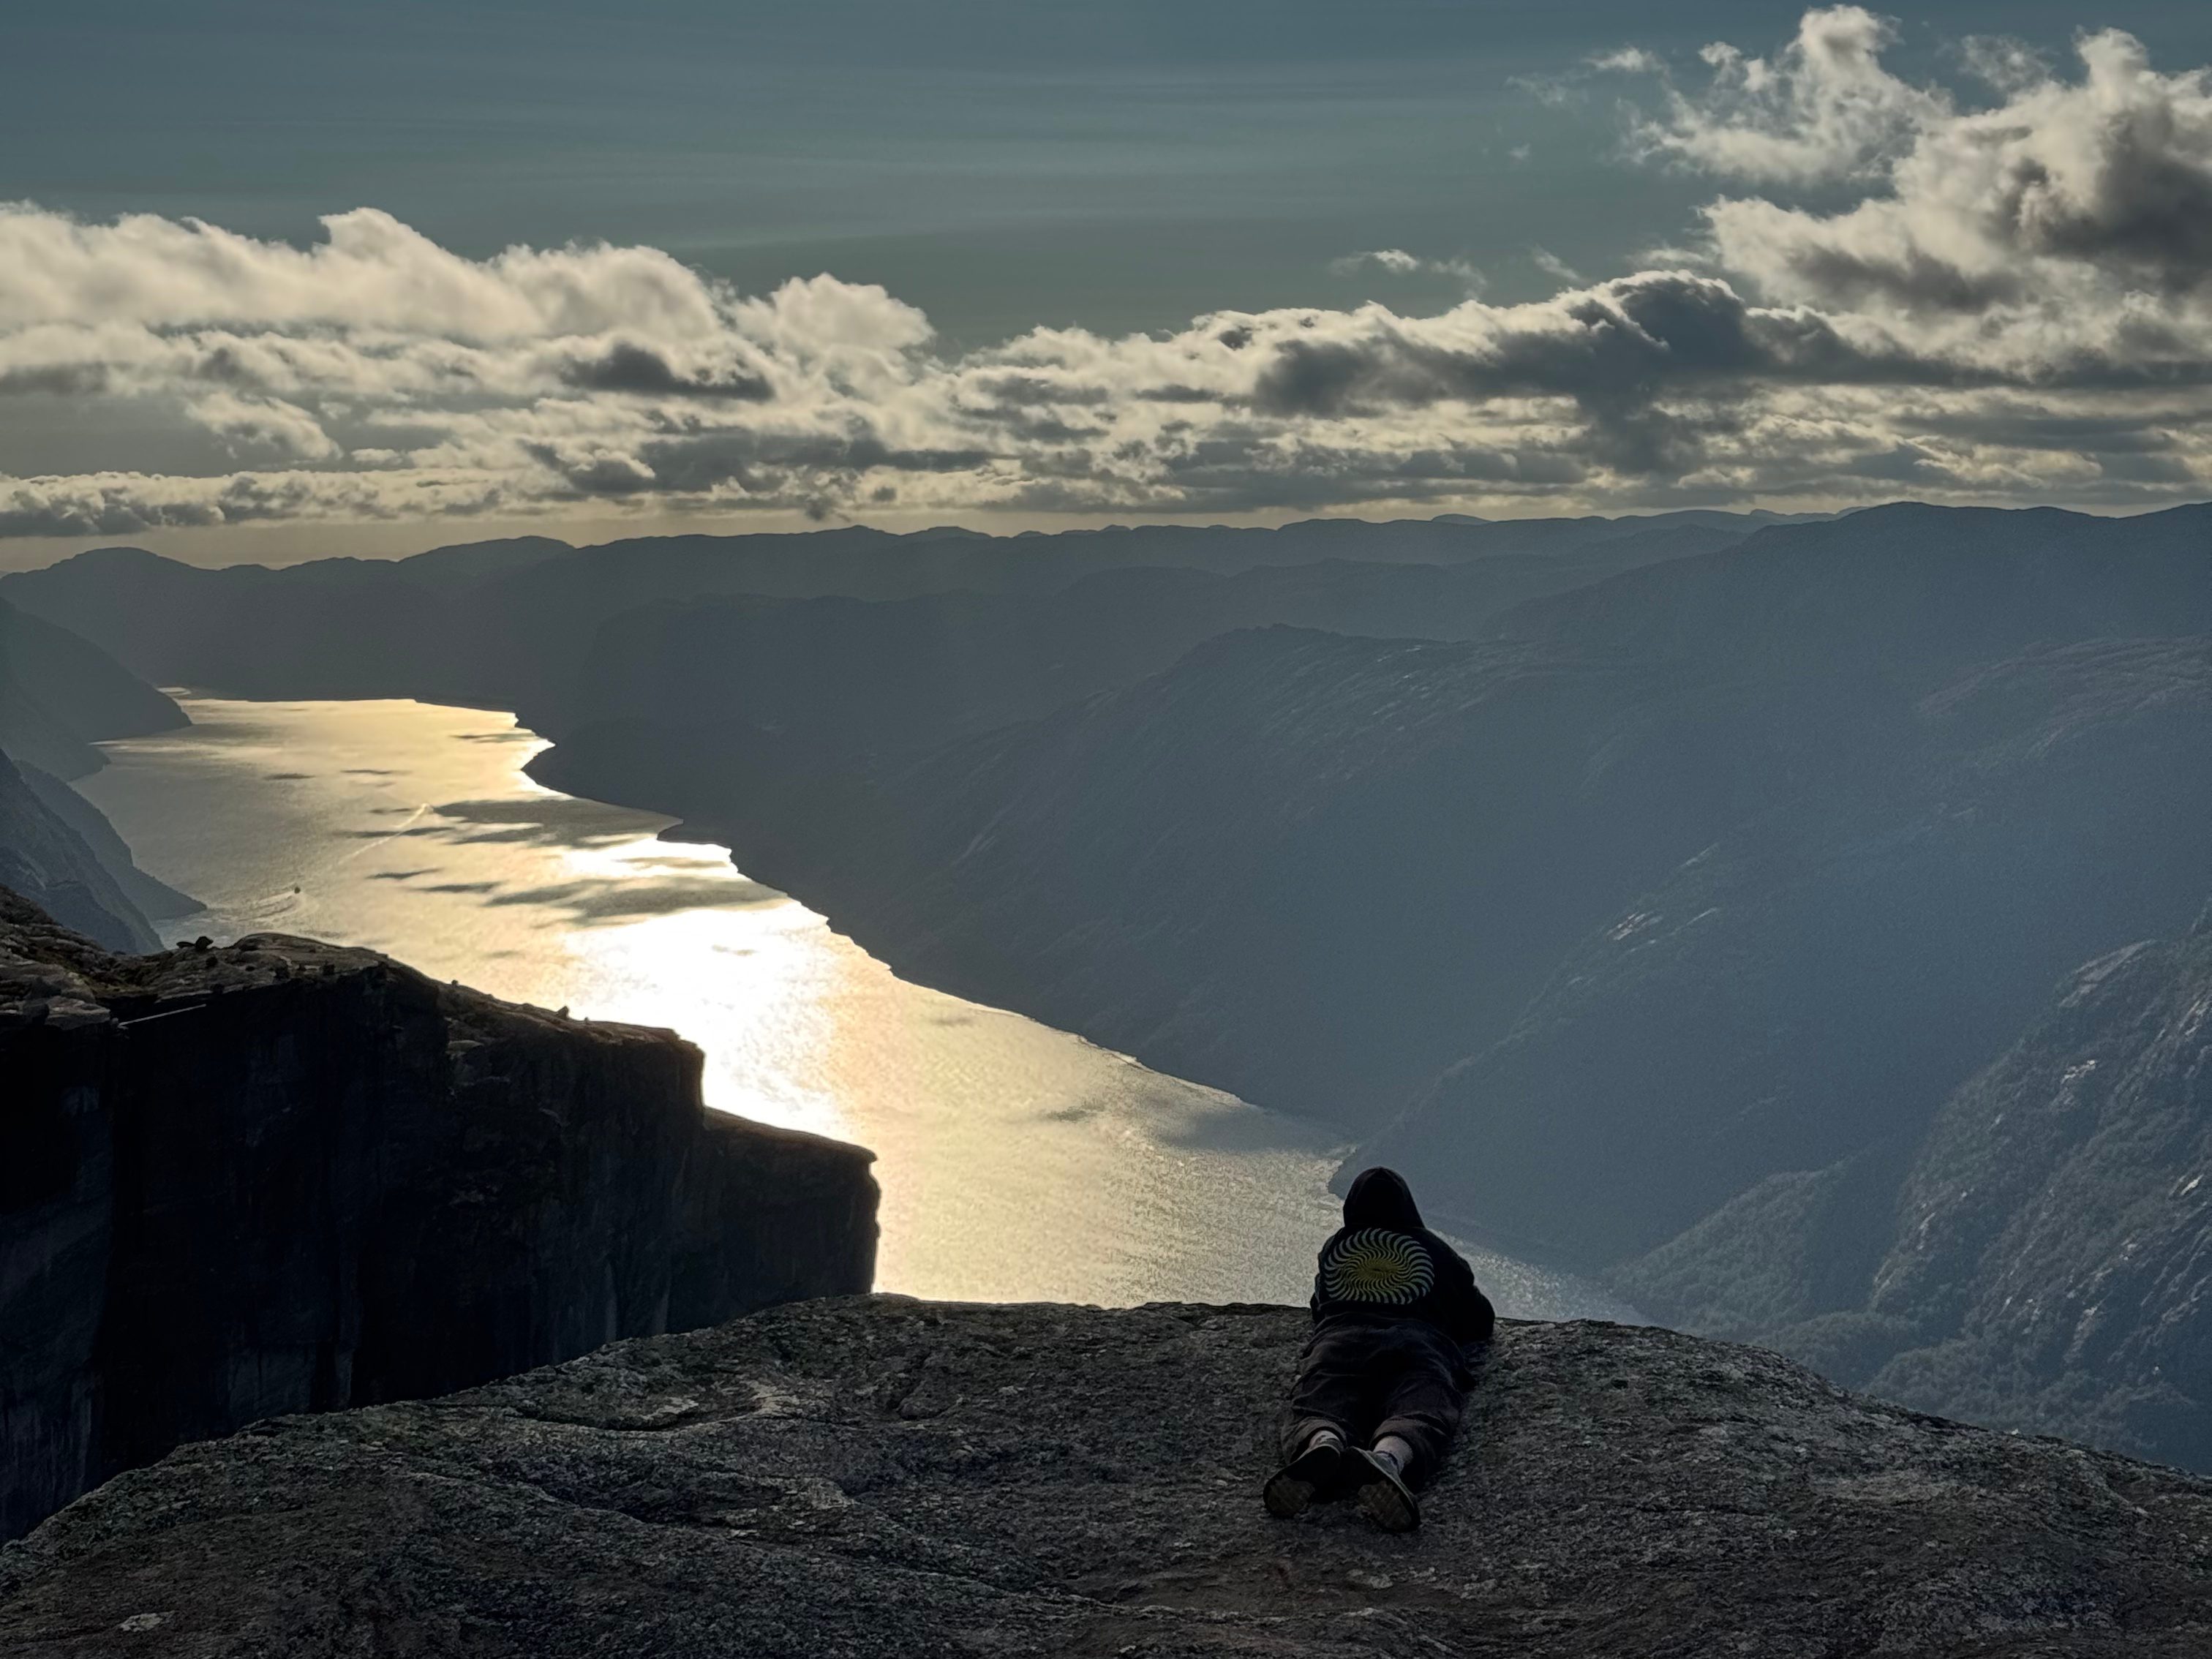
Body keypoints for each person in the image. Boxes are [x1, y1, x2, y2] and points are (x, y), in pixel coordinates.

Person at [1263, 1167, 1494, 1532]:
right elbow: (1480, 1318)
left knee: (1320, 1399)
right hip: (1417, 1343)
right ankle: (1388, 1457)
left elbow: (1318, 1305)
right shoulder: (1434, 1250)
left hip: (1340, 1341)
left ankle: (1322, 1441)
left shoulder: (1337, 1247)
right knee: (1422, 1403)